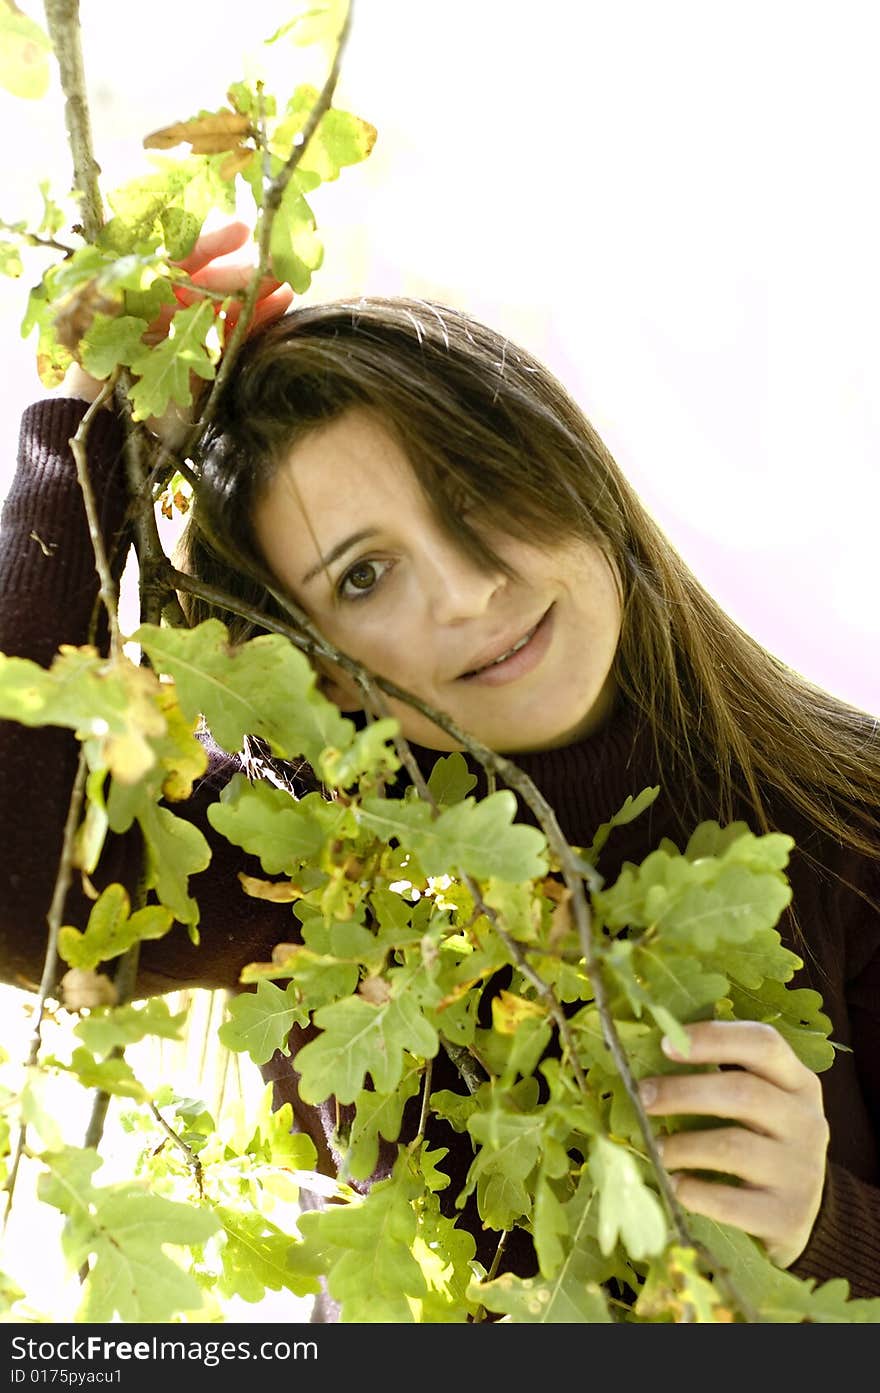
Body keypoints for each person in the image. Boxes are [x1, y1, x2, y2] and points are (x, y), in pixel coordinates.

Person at [1, 222, 878, 1317]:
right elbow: (19, 877)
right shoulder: (309, 880)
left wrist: (819, 1229)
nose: (467, 591)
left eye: (478, 490)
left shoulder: (850, 815)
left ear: (570, 471)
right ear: (311, 670)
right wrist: (86, 438)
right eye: (364, 575)